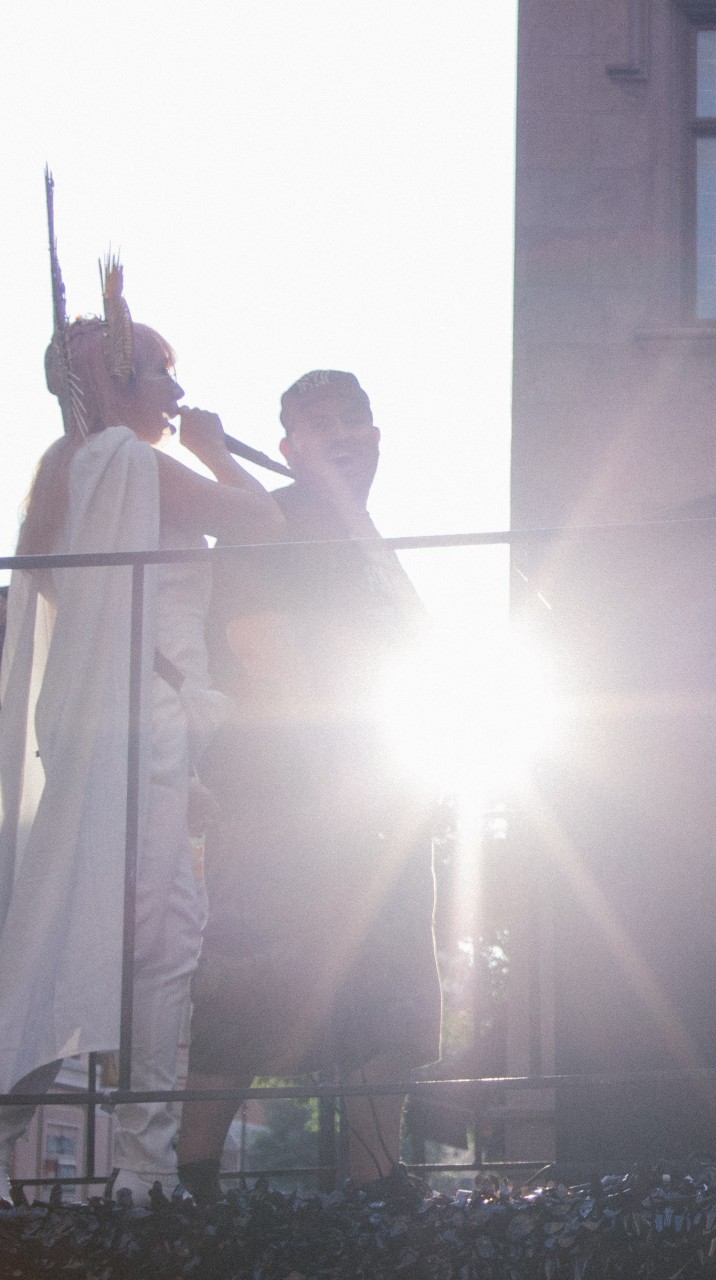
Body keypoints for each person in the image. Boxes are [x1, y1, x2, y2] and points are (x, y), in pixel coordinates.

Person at [0, 260, 283, 1199]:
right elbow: (268, 527)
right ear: (117, 381)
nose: (176, 389)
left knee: (119, 939)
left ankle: (138, 1165)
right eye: (160, 371)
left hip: (118, 736)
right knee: (135, 944)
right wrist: (210, 446)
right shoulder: (124, 464)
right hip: (141, 734)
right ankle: (142, 1165)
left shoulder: (61, 475)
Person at [175, 370, 440, 1197]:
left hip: (384, 803)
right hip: (286, 809)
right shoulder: (269, 522)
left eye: (353, 420)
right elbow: (271, 662)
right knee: (246, 1000)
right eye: (316, 425)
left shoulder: (364, 535)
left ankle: (375, 1190)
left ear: (376, 435)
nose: (341, 435)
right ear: (289, 446)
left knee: (397, 1009)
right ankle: (186, 1192)